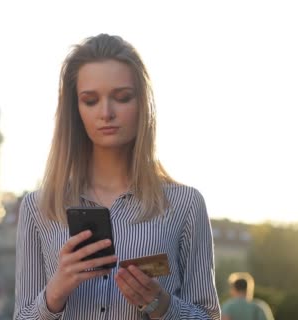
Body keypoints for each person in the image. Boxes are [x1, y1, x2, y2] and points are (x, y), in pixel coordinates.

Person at [14, 34, 220, 320]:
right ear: (75, 110)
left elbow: (208, 315)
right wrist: (54, 294)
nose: (106, 113)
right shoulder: (39, 207)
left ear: (142, 105)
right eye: (90, 100)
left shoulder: (184, 204)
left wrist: (162, 304)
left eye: (122, 98)